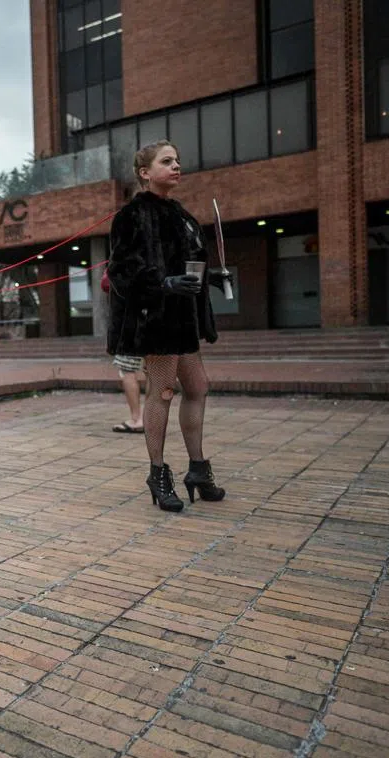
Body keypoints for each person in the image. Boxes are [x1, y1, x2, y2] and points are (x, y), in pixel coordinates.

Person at [106, 139, 233, 512]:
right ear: (145, 172)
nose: (176, 166)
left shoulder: (182, 215)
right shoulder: (130, 216)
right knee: (162, 392)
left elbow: (190, 262)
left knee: (197, 387)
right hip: (156, 319)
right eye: (167, 161)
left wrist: (209, 277)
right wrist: (163, 284)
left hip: (183, 319)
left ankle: (197, 469)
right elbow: (121, 271)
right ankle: (158, 473)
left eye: (178, 160)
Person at [102, 269, 144, 433]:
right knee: (154, 372)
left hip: (130, 326)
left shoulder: (127, 260)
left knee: (127, 371)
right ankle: (152, 418)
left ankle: (136, 419)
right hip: (151, 322)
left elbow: (106, 284)